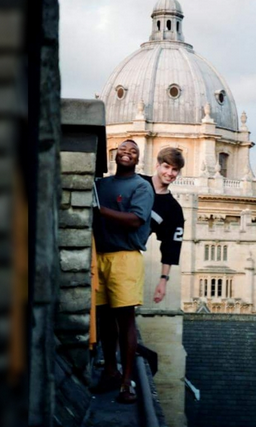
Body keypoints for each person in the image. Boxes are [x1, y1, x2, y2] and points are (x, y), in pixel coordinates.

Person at [91, 139, 154, 404]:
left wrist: (100, 210)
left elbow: (135, 219)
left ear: (138, 159)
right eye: (123, 150)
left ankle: (126, 383)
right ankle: (110, 371)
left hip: (126, 257)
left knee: (125, 320)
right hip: (99, 257)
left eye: (133, 151)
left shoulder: (141, 186)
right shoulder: (100, 185)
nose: (127, 153)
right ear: (113, 154)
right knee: (104, 318)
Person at [140, 147, 185, 304]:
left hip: (129, 256)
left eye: (175, 170)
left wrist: (163, 280)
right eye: (166, 167)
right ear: (157, 165)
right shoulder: (135, 182)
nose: (170, 173)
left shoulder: (174, 210)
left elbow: (171, 247)